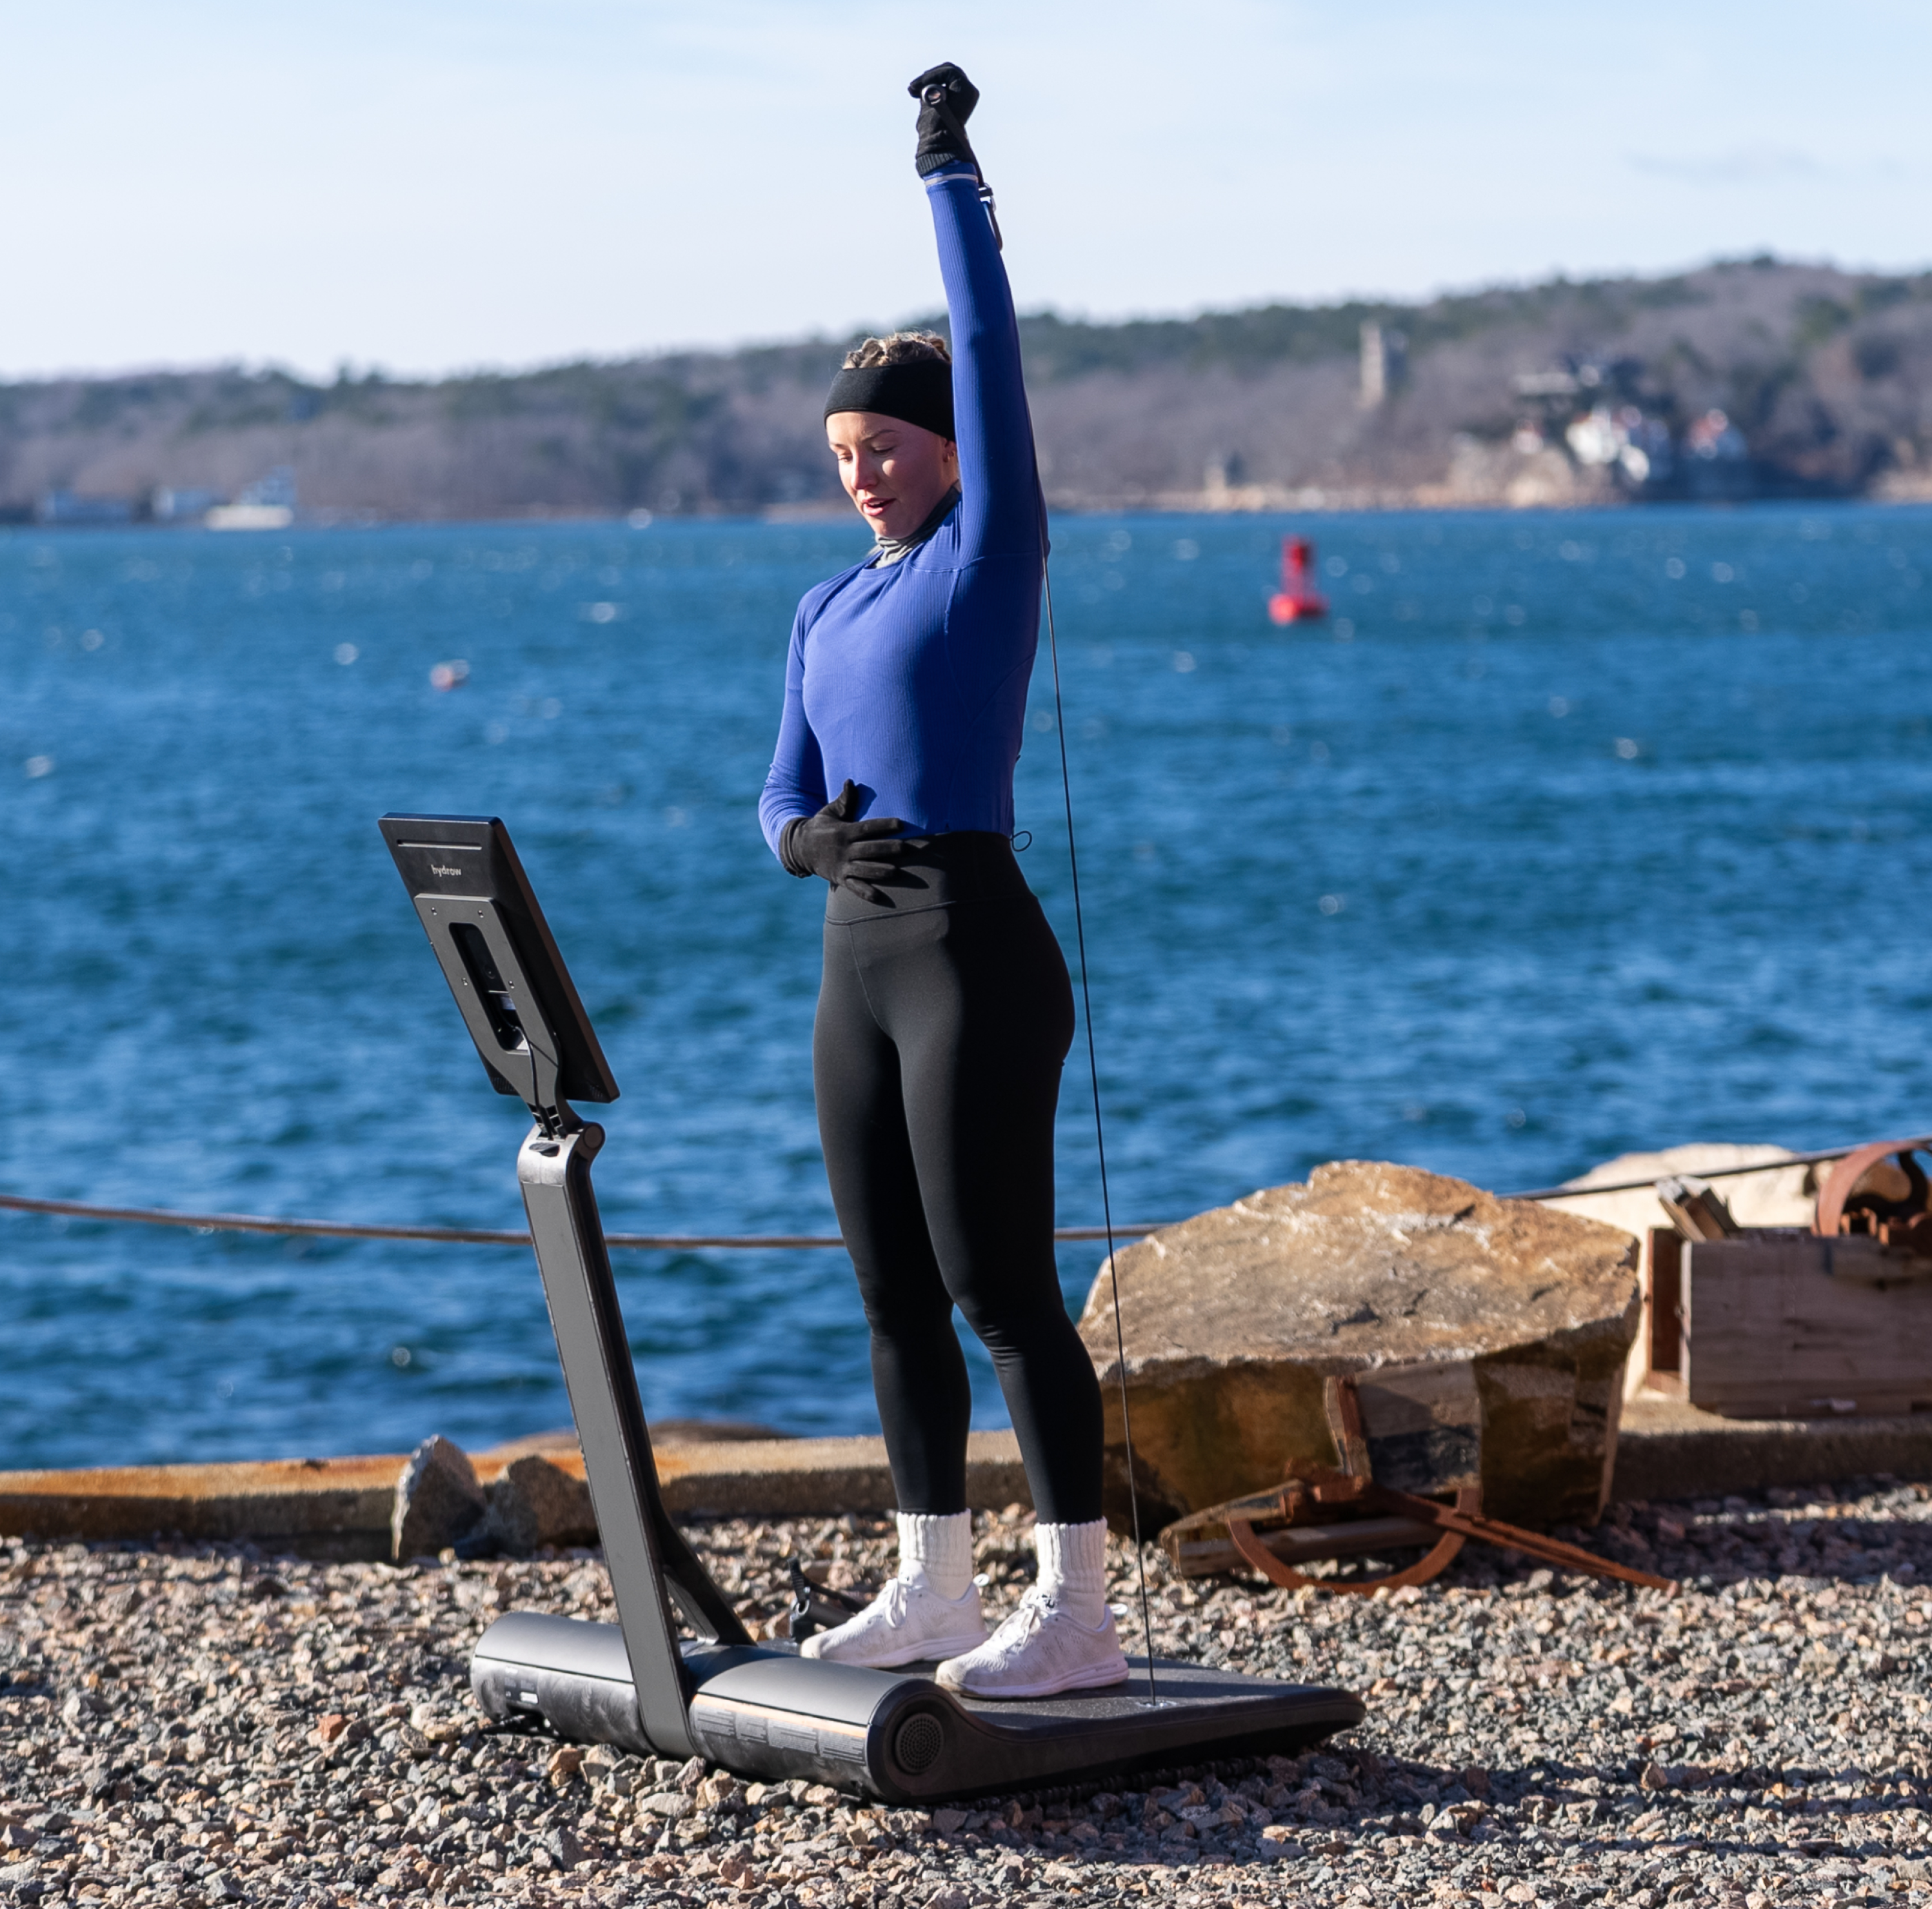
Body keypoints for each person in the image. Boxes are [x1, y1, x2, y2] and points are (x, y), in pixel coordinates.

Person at [756, 64, 1126, 1700]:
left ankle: (1081, 1611)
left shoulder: (987, 560)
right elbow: (777, 786)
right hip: (858, 951)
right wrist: (804, 842)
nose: (860, 472)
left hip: (974, 945)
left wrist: (948, 179)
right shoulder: (828, 606)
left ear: (947, 450)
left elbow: (988, 353)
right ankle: (928, 1585)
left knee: (1000, 1290)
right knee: (892, 1291)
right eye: (842, 452)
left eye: (885, 446)